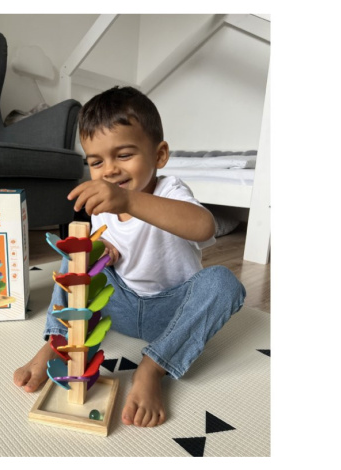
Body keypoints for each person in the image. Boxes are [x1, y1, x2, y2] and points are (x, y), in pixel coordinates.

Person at [14, 86, 246, 428]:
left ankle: (153, 367)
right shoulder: (102, 206)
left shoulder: (171, 190)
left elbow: (203, 226)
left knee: (223, 283)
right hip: (116, 306)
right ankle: (59, 341)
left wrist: (128, 201)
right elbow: (106, 254)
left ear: (159, 155)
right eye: (96, 162)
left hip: (171, 314)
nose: (109, 171)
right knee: (76, 251)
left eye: (123, 155)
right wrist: (100, 252)